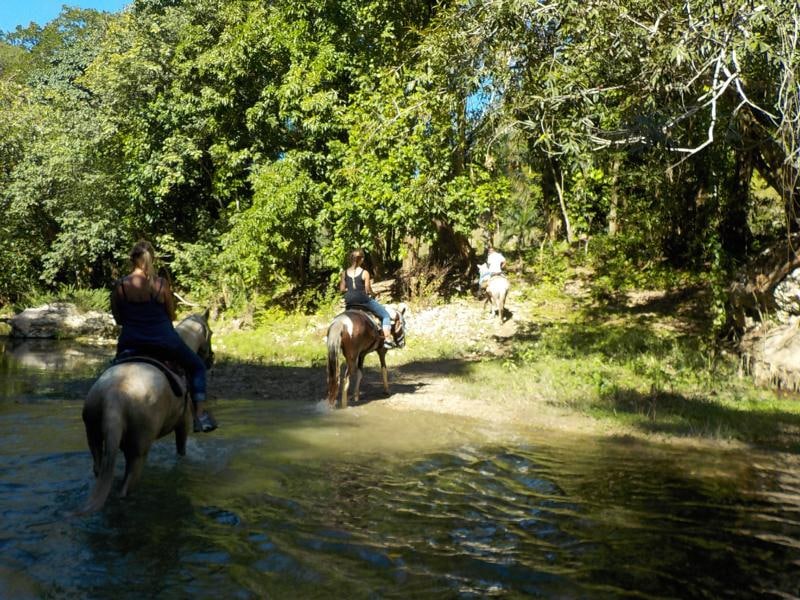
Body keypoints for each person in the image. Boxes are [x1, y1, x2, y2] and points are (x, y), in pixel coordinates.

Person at [111, 240, 217, 433]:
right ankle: (200, 415)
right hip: (165, 342)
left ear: (131, 260)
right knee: (197, 367)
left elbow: (119, 319)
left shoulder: (121, 286)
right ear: (152, 259)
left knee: (109, 373)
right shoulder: (161, 284)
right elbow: (171, 315)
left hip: (130, 342)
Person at [339, 249, 395, 348]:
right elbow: (368, 290)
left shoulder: (344, 273)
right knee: (385, 315)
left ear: (351, 258)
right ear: (362, 259)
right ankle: (387, 338)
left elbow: (342, 289)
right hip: (362, 300)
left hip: (349, 301)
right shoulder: (365, 273)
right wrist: (374, 294)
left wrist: (351, 289)